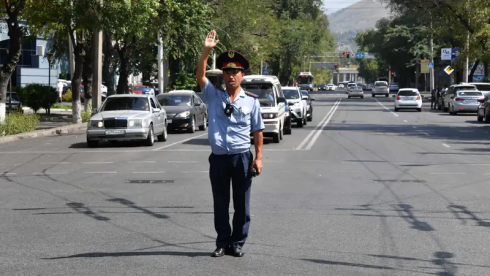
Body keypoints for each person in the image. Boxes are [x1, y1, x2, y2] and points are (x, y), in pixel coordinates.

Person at [196, 30, 264, 258]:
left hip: (241, 157)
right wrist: (206, 51)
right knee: (220, 204)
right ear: (223, 75)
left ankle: (237, 242)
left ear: (242, 74)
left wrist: (259, 158)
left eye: (235, 72)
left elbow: (257, 131)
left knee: (242, 205)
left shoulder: (252, 102)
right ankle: (222, 242)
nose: (231, 76)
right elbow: (200, 76)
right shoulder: (214, 96)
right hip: (219, 158)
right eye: (227, 72)